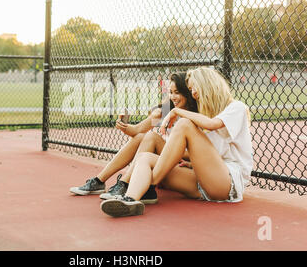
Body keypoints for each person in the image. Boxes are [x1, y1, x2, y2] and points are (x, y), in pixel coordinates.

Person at [100, 67, 253, 217]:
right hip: (201, 180)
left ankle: (147, 184)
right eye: (171, 93)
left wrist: (175, 112)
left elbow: (212, 125)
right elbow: (138, 130)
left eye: (192, 89)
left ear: (207, 85)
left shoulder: (235, 107)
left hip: (226, 182)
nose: (193, 93)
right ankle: (130, 200)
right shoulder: (170, 110)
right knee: (144, 157)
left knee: (182, 124)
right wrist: (128, 125)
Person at [70, 73, 198, 204]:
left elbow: (196, 154)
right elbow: (137, 131)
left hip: (179, 165)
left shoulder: (194, 116)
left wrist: (174, 151)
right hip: (160, 162)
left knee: (152, 137)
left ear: (186, 92)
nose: (172, 97)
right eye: (170, 92)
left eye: (177, 92)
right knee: (141, 137)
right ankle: (99, 180)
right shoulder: (165, 110)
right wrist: (124, 126)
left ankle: (124, 183)